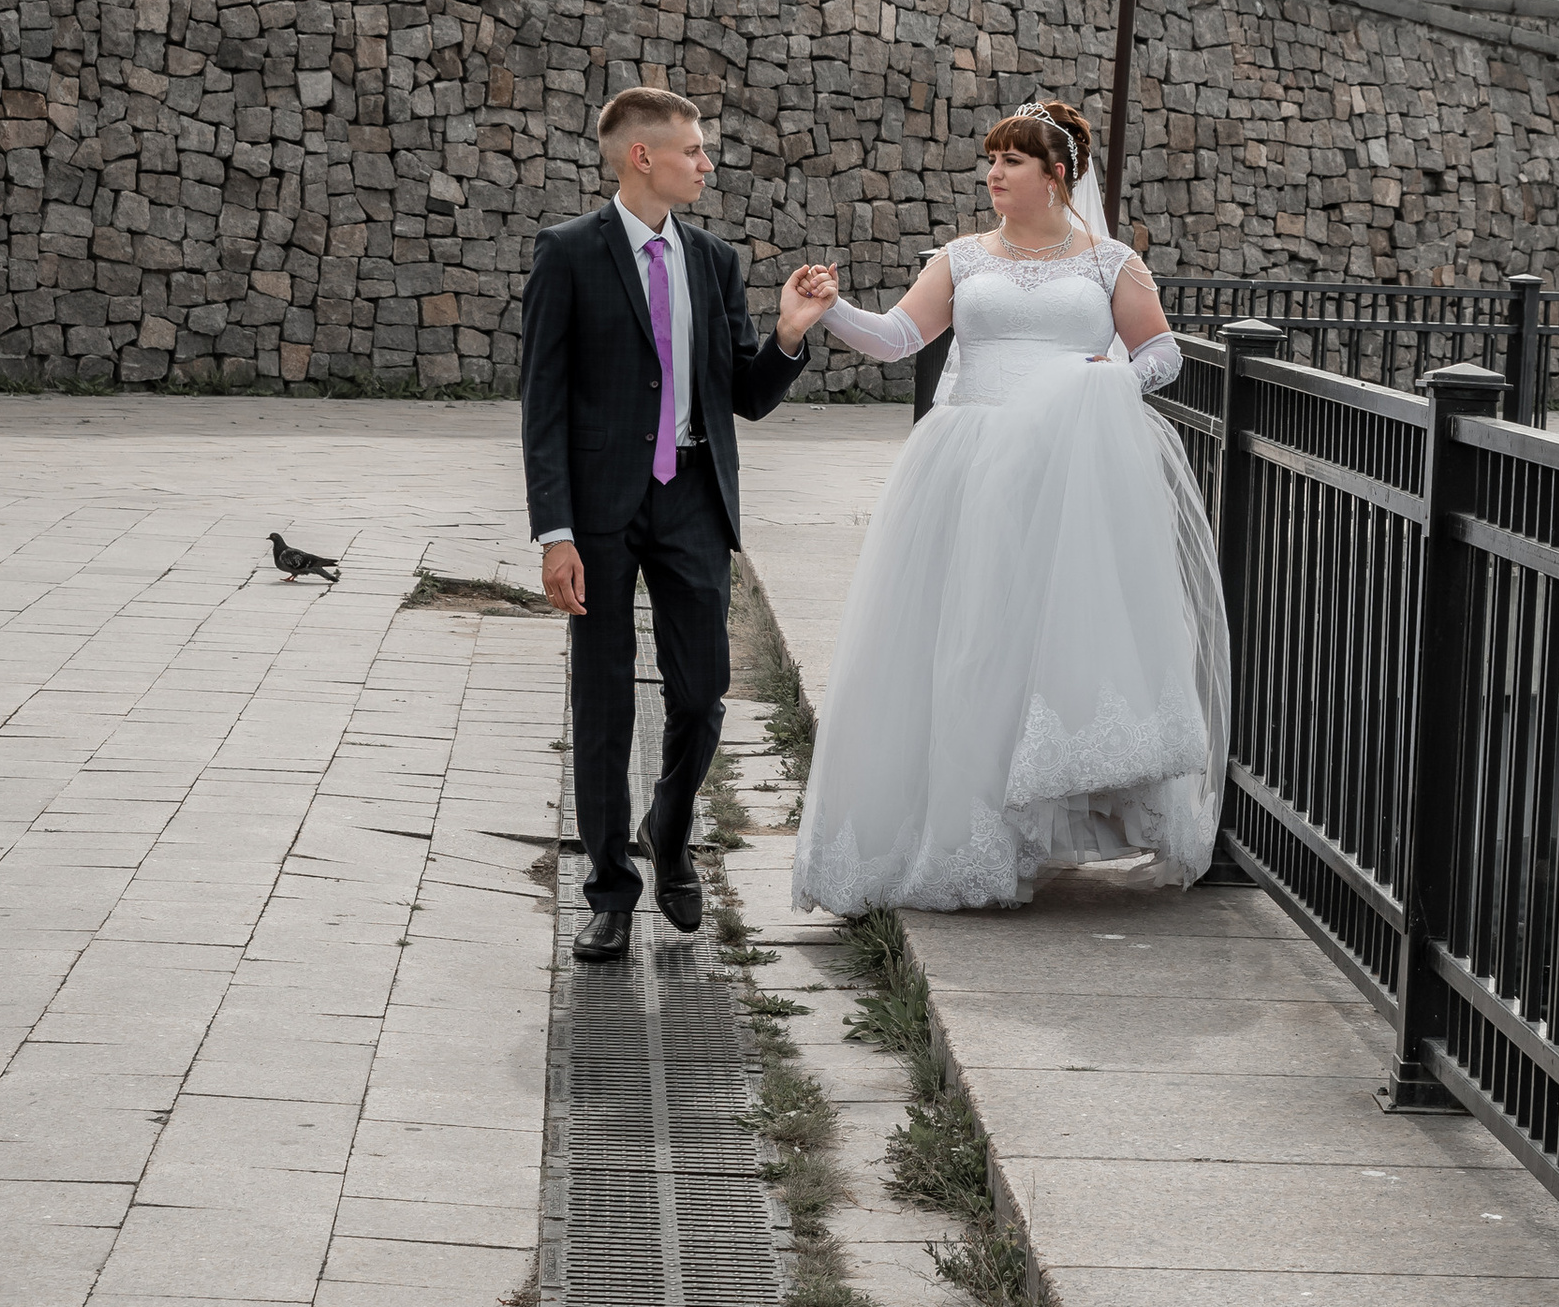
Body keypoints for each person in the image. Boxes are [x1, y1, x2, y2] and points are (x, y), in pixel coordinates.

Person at [788, 98, 1229, 915]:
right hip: (973, 463)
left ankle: (1046, 817)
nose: (993, 173)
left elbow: (1161, 350)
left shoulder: (1111, 263)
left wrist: (1105, 384)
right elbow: (897, 337)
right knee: (967, 644)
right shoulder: (961, 258)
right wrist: (830, 312)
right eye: (990, 160)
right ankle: (964, 833)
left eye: (1011, 160)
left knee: (1045, 641)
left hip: (1071, 474)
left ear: (1057, 174)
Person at [523, 87, 830, 962]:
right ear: (641, 157)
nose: (706, 162)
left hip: (694, 497)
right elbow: (542, 404)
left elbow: (746, 395)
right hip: (601, 512)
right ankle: (611, 890)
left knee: (700, 691)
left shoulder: (715, 259)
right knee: (605, 699)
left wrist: (788, 335)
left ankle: (670, 821)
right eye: (693, 150)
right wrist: (556, 532)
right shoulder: (568, 254)